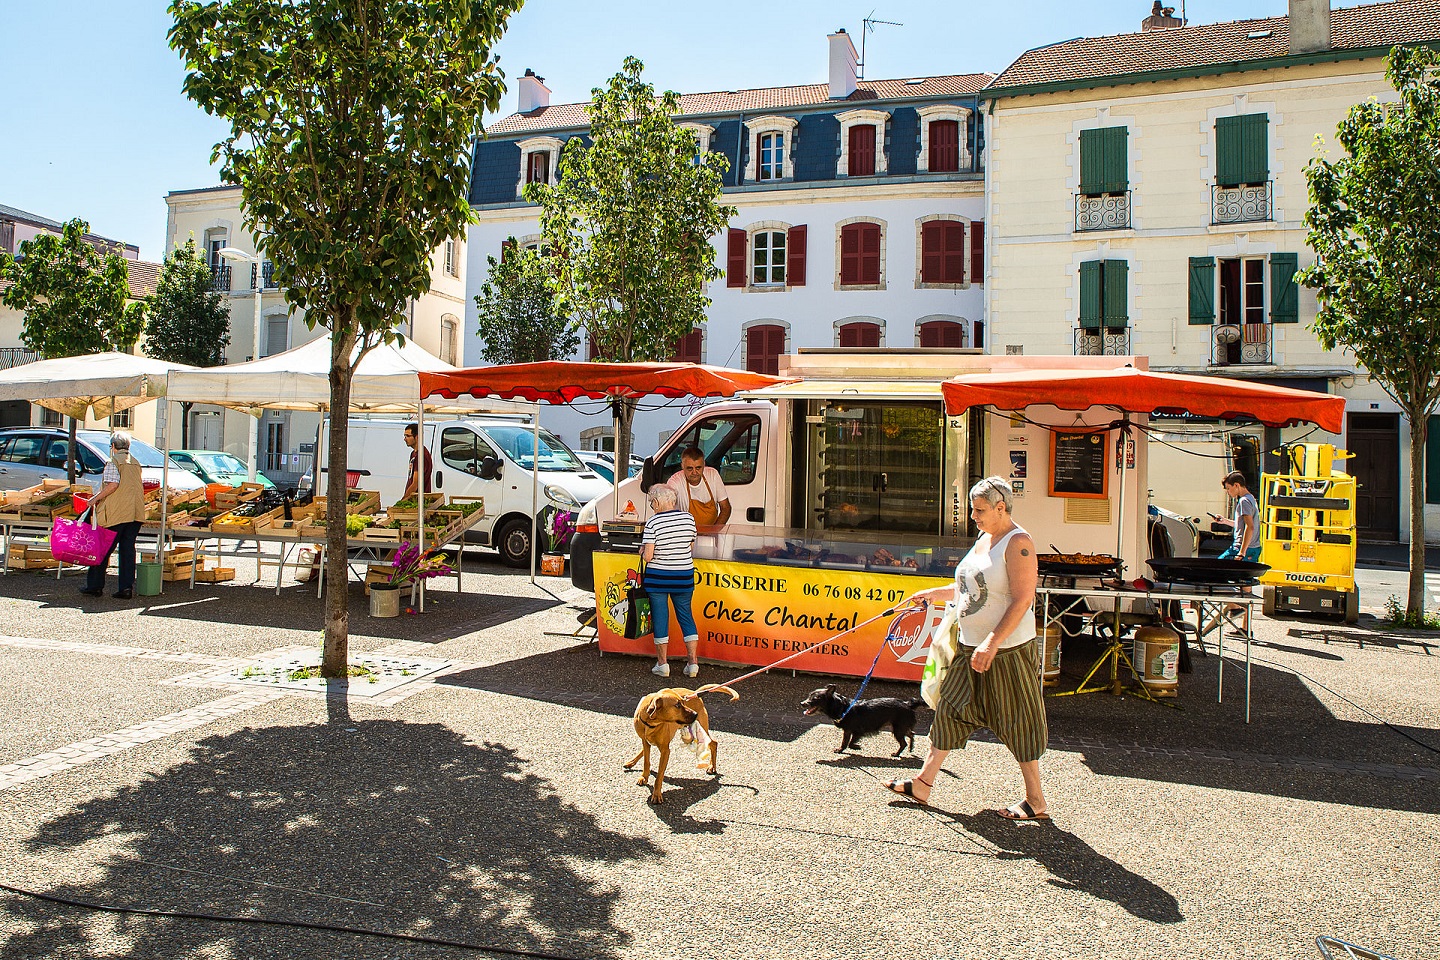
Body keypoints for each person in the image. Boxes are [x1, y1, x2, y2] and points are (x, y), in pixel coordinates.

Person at [884, 476, 1049, 821]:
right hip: (968, 646)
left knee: (1016, 720)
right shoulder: (983, 538)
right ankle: (923, 783)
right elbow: (967, 588)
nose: (973, 516)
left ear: (1001, 508)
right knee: (950, 710)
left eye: (979, 510)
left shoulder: (1019, 543)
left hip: (1006, 651)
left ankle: (1035, 800)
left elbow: (1022, 600)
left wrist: (992, 642)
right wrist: (933, 594)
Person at [640, 483, 700, 679]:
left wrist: (641, 550)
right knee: (686, 616)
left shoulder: (653, 523)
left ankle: (662, 664)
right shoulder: (689, 519)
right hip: (683, 576)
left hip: (658, 578)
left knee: (660, 618)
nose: (651, 506)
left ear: (657, 502)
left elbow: (649, 556)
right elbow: (690, 547)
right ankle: (692, 664)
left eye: (651, 502)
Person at [80, 431, 147, 600]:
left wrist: (94, 500)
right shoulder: (135, 462)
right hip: (135, 512)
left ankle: (95, 585)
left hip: (117, 512)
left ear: (113, 447)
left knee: (102, 548)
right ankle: (126, 588)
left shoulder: (113, 462)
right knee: (127, 550)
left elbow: (112, 485)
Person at [667, 446, 731, 529]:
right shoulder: (674, 481)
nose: (694, 472)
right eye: (690, 468)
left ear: (704, 465)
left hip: (712, 533)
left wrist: (714, 532)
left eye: (698, 468)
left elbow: (726, 508)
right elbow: (666, 511)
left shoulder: (713, 474)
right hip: (686, 535)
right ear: (682, 466)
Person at [1215, 470, 1260, 562]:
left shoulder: (1244, 501)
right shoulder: (1251, 498)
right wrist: (1224, 521)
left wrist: (1241, 552)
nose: (1227, 492)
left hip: (1242, 548)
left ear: (1236, 485)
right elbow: (1243, 524)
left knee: (1217, 568)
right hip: (1254, 548)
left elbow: (1250, 527)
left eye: (1228, 488)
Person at [402, 423, 433, 500]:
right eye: (405, 436)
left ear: (417, 437)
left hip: (418, 501)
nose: (405, 439)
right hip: (412, 499)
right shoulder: (413, 454)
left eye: (408, 436)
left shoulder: (421, 456)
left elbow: (415, 484)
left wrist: (403, 501)